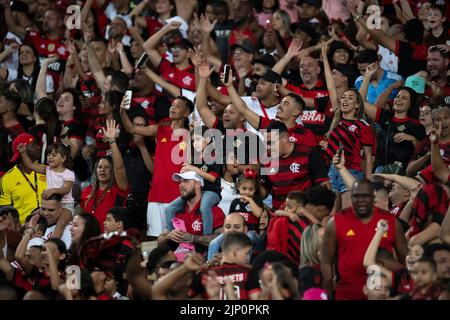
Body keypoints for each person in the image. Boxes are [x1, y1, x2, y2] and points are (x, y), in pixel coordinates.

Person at [321, 179, 408, 300]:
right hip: (346, 295)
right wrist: (328, 295)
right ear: (351, 197)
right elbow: (326, 263)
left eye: (366, 196)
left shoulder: (391, 221)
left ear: (373, 197)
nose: (361, 200)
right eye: (357, 196)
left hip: (382, 295)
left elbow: (405, 261)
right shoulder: (335, 222)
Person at [120, 95, 192, 237]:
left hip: (177, 196)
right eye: (172, 105)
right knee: (154, 238)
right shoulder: (159, 130)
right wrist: (122, 111)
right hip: (156, 195)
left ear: (186, 113)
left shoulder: (190, 135)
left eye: (178, 106)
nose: (173, 108)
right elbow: (131, 129)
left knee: (178, 239)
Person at [165, 126, 223, 236]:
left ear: (208, 139)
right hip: (197, 192)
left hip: (212, 192)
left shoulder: (214, 157)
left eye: (197, 140)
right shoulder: (197, 159)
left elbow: (213, 178)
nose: (194, 143)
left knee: (204, 206)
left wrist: (194, 169)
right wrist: (186, 172)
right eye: (192, 141)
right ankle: (174, 236)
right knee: (169, 208)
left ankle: (206, 237)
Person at [261, 121, 329, 209]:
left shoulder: (310, 154)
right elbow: (264, 191)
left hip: (303, 212)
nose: (267, 148)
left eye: (270, 143)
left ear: (285, 138)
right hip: (278, 214)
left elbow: (324, 186)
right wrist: (253, 184)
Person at [158, 171, 225, 255]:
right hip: (179, 262)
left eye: (186, 181)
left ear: (198, 184)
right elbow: (160, 241)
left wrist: (192, 238)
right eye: (180, 181)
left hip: (203, 263)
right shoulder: (176, 211)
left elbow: (222, 239)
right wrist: (169, 236)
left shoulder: (213, 211)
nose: (180, 185)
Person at [80, 119, 129, 230]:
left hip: (110, 239)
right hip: (91, 241)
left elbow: (119, 168)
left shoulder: (119, 190)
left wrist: (112, 142)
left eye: (107, 168)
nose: (102, 170)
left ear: (112, 172)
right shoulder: (87, 191)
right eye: (100, 167)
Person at [18, 143, 75, 216]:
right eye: (48, 155)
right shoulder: (48, 170)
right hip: (50, 203)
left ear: (63, 158)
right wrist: (23, 152)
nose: (50, 157)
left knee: (61, 222)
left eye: (54, 155)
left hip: (65, 204)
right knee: (32, 217)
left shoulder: (68, 173)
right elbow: (30, 165)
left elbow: (66, 189)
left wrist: (52, 191)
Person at [0, 133, 46, 224]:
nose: (39, 147)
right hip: (23, 229)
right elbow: (5, 211)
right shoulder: (7, 178)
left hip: (49, 224)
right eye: (34, 145)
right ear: (22, 150)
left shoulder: (47, 170)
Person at [199, 232, 253, 300]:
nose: (248, 257)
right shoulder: (249, 273)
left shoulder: (207, 275)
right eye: (247, 253)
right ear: (235, 252)